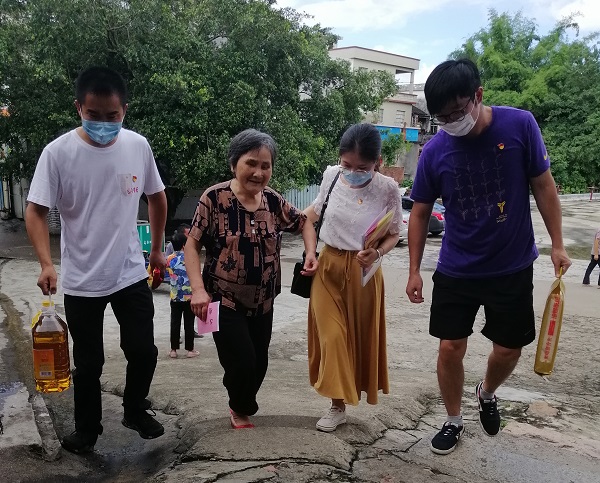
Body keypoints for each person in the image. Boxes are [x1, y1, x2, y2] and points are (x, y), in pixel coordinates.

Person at [405, 59, 572, 455]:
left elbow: (543, 185)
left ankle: (487, 391)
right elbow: (420, 212)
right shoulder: (435, 151)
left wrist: (558, 244)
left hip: (512, 264)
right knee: (450, 347)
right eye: (441, 118)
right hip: (457, 267)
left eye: (455, 112)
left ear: (478, 95)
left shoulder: (520, 125)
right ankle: (452, 419)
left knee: (509, 349)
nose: (450, 123)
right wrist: (413, 270)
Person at [25, 66, 168, 454]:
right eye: (93, 114)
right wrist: (46, 263)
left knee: (143, 350)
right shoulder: (58, 154)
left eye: (112, 115)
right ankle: (87, 431)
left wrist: (156, 249)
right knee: (88, 363)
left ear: (124, 111)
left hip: (129, 272)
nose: (103, 123)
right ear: (79, 108)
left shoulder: (137, 146)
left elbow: (157, 197)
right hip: (82, 278)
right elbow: (35, 210)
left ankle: (135, 410)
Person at [184, 129, 318, 429]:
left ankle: (241, 399)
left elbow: (305, 222)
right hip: (223, 298)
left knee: (259, 362)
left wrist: (311, 252)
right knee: (242, 360)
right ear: (234, 164)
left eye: (265, 166)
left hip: (264, 301)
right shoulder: (214, 198)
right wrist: (197, 290)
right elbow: (191, 245)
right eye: (251, 163)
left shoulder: (273, 201)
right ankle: (239, 405)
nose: (259, 173)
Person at [304, 123, 402, 432]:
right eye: (347, 164)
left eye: (362, 168)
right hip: (328, 267)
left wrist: (378, 252)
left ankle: (344, 399)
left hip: (364, 272)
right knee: (332, 336)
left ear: (378, 162)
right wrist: (310, 251)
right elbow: (311, 216)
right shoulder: (332, 176)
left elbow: (394, 234)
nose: (353, 172)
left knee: (356, 339)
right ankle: (337, 405)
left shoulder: (387, 189)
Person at [167, 232, 200, 358]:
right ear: (184, 245)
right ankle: (190, 350)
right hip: (189, 296)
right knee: (189, 323)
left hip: (175, 296)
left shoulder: (169, 259)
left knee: (175, 323)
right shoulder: (190, 258)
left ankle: (173, 350)